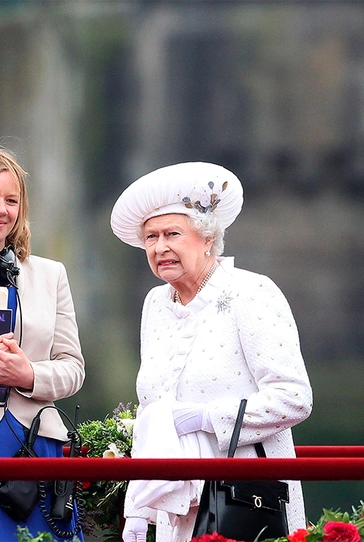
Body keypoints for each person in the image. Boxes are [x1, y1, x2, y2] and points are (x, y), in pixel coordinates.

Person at [109, 162, 313, 542]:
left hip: (245, 498)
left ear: (206, 239)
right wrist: (137, 510)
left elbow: (295, 398)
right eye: (150, 238)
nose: (160, 247)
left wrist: (205, 417)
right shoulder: (155, 303)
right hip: (177, 506)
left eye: (172, 233)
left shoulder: (251, 292)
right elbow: (151, 412)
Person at [0, 145, 86, 541]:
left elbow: (73, 368)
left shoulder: (50, 274)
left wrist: (28, 375)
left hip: (32, 446)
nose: (1, 209)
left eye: (11, 200)